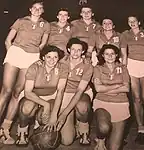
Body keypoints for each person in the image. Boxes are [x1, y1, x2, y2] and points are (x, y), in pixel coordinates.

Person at [0, 0, 50, 144]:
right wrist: (13, 55)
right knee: (6, 90)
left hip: (31, 56)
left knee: (18, 92)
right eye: (34, 7)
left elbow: (43, 43)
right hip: (16, 52)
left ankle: (5, 129)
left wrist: (33, 54)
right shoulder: (21, 21)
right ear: (30, 9)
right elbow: (8, 40)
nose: (36, 10)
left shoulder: (45, 24)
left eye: (40, 8)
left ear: (42, 11)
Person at [15, 45, 68, 146]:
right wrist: (45, 105)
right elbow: (28, 92)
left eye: (55, 57)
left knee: (47, 118)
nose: (52, 60)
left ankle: (39, 126)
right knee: (27, 108)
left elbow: (60, 91)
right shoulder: (34, 67)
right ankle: (22, 130)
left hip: (51, 96)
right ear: (43, 57)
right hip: (33, 96)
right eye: (49, 57)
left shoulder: (63, 68)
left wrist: (53, 116)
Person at [56, 38, 93, 146]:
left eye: (79, 50)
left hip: (81, 94)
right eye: (73, 49)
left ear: (83, 51)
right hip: (65, 93)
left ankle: (83, 126)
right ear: (68, 49)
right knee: (66, 141)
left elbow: (80, 91)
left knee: (82, 106)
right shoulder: (61, 62)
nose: (75, 52)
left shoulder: (87, 65)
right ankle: (73, 123)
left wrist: (64, 114)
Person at [92, 44, 130, 150]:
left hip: (121, 103)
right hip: (102, 102)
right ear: (102, 55)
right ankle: (100, 139)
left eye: (112, 53)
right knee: (104, 127)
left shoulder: (123, 68)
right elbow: (98, 89)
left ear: (116, 55)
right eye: (107, 54)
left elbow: (126, 88)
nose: (110, 56)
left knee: (114, 148)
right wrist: (118, 86)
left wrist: (107, 88)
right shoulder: (98, 68)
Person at [120, 16, 144, 144]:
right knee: (136, 98)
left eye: (134, 21)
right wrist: (124, 67)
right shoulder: (125, 34)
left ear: (139, 22)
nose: (132, 23)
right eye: (129, 21)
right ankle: (141, 128)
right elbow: (124, 53)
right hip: (132, 65)